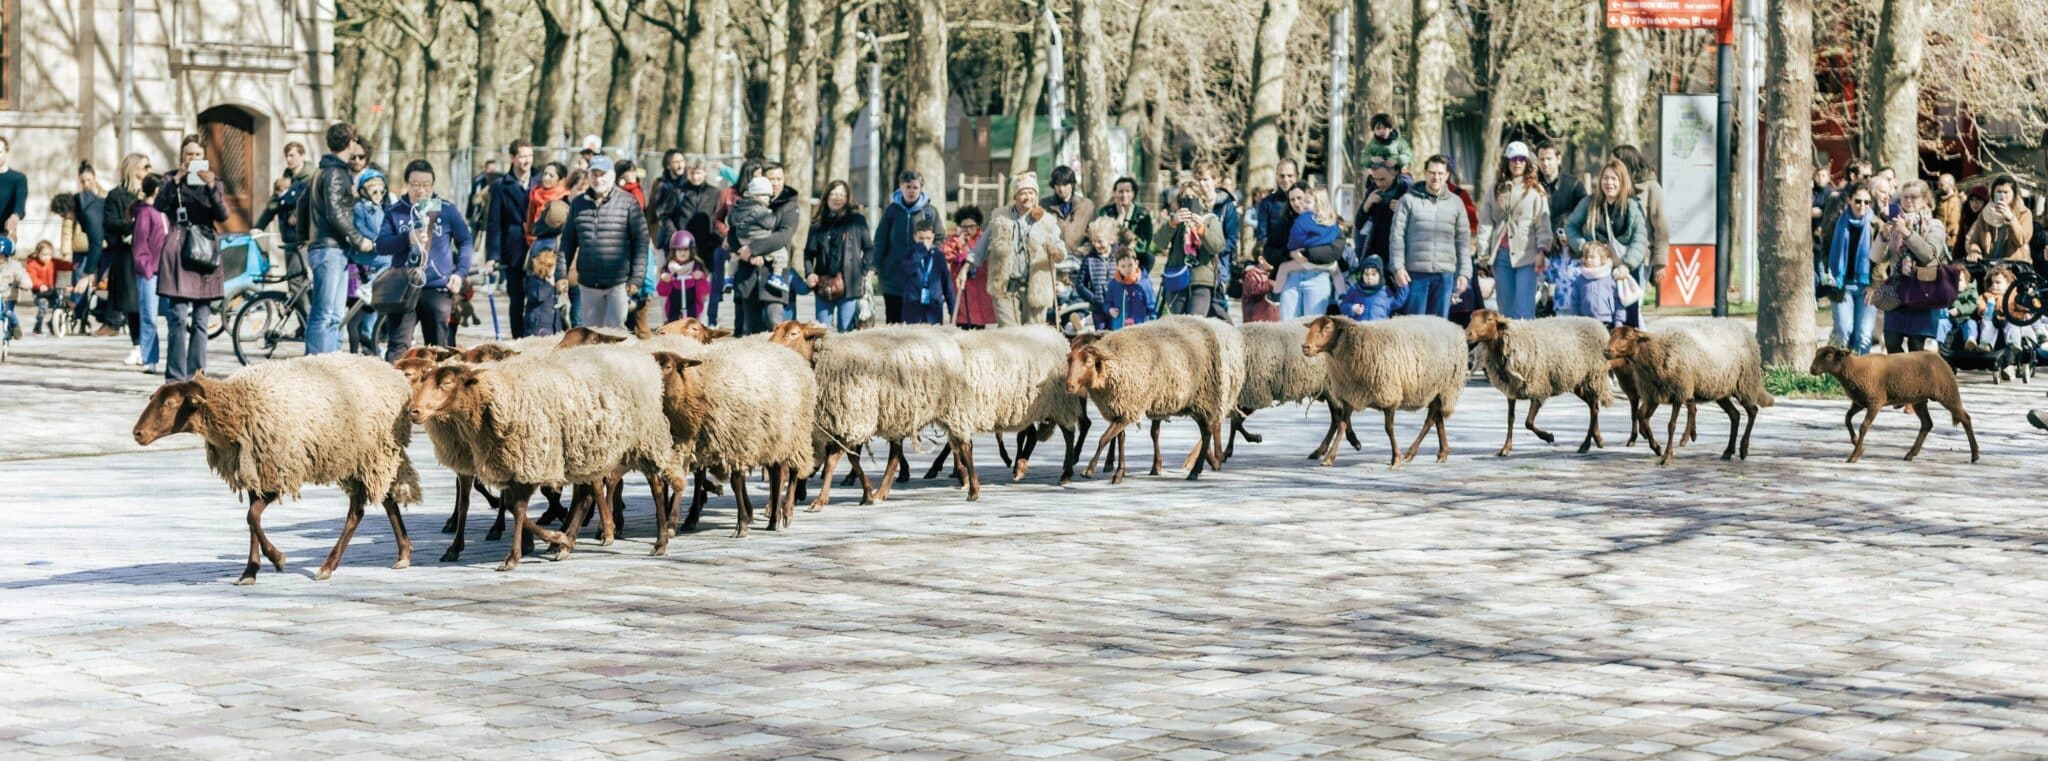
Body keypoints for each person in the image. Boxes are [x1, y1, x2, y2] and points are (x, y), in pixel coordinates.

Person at [374, 160, 473, 359]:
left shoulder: (447, 210)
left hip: (437, 287)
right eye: (415, 185)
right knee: (398, 348)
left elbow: (465, 241)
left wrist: (460, 273)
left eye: (426, 185)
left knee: (440, 349)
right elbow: (382, 245)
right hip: (403, 288)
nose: (421, 190)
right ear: (407, 184)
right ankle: (396, 379)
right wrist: (406, 238)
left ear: (433, 185)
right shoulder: (395, 211)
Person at [155, 135, 228, 381]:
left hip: (205, 252)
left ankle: (196, 376)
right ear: (182, 156)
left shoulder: (214, 182)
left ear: (204, 157)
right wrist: (177, 179)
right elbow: (158, 205)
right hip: (178, 250)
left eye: (197, 154)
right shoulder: (170, 179)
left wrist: (211, 187)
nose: (193, 158)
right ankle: (175, 377)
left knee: (201, 320)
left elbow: (223, 215)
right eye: (189, 154)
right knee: (177, 317)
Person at [301, 123, 376, 355]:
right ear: (350, 143)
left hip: (332, 248)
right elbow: (335, 212)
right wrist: (358, 239)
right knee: (324, 314)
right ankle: (315, 365)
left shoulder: (323, 171)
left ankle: (330, 364)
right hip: (329, 248)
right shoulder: (334, 173)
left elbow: (302, 203)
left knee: (334, 315)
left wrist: (303, 238)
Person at [559, 156, 650, 330]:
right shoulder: (578, 204)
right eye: (594, 174)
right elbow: (567, 243)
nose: (598, 179)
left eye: (603, 174)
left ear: (612, 175)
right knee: (592, 334)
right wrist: (561, 274)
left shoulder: (628, 202)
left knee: (615, 332)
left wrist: (637, 278)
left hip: (618, 282)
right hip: (588, 283)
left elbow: (641, 242)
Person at [970, 172, 1065, 326]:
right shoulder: (1000, 219)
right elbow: (980, 248)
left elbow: (1060, 251)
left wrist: (1055, 251)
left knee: (1034, 333)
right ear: (1015, 196)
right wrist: (965, 269)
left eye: (1032, 193)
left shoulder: (1046, 222)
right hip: (1006, 286)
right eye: (1023, 193)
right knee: (1008, 333)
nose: (1028, 197)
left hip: (1036, 287)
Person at [1565, 159, 1649, 326]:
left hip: (1625, 271)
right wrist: (1583, 246)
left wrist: (1627, 265)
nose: (1609, 183)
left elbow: (1640, 238)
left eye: (1614, 178)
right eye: (1605, 178)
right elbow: (1570, 226)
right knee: (1596, 318)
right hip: (1597, 271)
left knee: (1629, 320)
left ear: (1622, 181)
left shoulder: (1633, 207)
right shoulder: (1589, 203)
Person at [1389, 155, 1473, 319]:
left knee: (1439, 326)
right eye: (1432, 172)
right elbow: (1396, 236)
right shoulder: (1408, 200)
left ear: (1447, 175)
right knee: (1414, 326)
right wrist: (1398, 267)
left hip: (1445, 275)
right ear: (1425, 173)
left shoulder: (1456, 203)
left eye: (1440, 173)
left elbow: (1463, 241)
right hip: (1415, 274)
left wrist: (1464, 273)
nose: (1436, 177)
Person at [1878, 179, 1950, 355]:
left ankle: (1914, 373)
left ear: (1925, 199)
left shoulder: (1934, 224)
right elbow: (1878, 257)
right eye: (1905, 197)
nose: (1909, 200)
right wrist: (1883, 237)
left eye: (1914, 197)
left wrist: (1906, 232)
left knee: (1916, 347)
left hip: (1922, 290)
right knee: (1891, 341)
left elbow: (1929, 254)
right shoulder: (1895, 224)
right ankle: (1900, 373)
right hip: (1897, 290)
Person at [1485, 141, 1552, 320]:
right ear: (1507, 161)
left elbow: (1543, 225)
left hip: (1527, 256)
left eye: (1522, 159)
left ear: (1527, 162)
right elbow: (1486, 222)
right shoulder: (1495, 189)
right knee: (1505, 311)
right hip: (1501, 255)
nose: (1518, 163)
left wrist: (1542, 250)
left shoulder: (1536, 191)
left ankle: (1525, 339)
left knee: (1524, 311)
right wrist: (1483, 253)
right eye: (1513, 159)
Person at [1151, 179, 1228, 320]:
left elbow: (1218, 246)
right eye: (1185, 197)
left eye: (1194, 197)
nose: (1189, 200)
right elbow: (1159, 242)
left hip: (1201, 281)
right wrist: (1172, 223)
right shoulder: (1175, 220)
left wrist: (1202, 229)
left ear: (1202, 199)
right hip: (1177, 278)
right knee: (1178, 324)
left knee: (1194, 323)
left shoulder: (1210, 220)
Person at [649, 153, 720, 304]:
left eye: (699, 173)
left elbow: (719, 218)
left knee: (702, 292)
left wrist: (716, 239)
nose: (695, 177)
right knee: (680, 292)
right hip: (682, 249)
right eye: (692, 173)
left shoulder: (714, 192)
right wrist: (675, 236)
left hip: (705, 247)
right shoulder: (678, 191)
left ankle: (702, 317)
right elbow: (665, 216)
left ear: (705, 173)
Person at [872, 170, 940, 323]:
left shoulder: (929, 212)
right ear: (901, 187)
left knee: (917, 324)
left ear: (921, 188)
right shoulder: (891, 211)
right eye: (908, 187)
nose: (911, 191)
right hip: (893, 279)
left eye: (915, 187)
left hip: (920, 278)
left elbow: (940, 238)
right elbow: (880, 240)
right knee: (894, 324)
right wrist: (873, 266)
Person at [1818, 183, 1878, 353]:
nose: (1862, 205)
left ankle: (1861, 368)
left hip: (1867, 288)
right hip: (1841, 286)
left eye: (1867, 202)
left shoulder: (1876, 225)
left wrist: (1875, 284)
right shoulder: (1837, 223)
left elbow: (1882, 260)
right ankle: (1836, 367)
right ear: (1849, 200)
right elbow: (1825, 250)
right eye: (1858, 201)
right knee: (1843, 332)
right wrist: (1829, 272)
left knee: (1864, 336)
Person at [804, 179, 871, 332]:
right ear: (826, 197)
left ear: (847, 198)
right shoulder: (817, 224)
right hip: (823, 285)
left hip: (850, 285)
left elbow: (869, 248)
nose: (837, 198)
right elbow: (808, 253)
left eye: (841, 195)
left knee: (846, 333)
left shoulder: (857, 221)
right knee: (821, 332)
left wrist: (863, 269)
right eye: (833, 194)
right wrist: (809, 273)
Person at [487, 139, 538, 337]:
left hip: (538, 249)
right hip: (514, 250)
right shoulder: (500, 186)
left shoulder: (540, 181)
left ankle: (535, 337)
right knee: (516, 299)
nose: (527, 161)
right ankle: (518, 339)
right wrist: (493, 256)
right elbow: (494, 223)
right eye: (523, 156)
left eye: (530, 156)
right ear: (512, 158)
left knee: (537, 296)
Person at [104, 154, 151, 354]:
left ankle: (147, 346)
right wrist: (132, 225)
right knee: (133, 303)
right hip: (127, 254)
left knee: (148, 302)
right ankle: (138, 345)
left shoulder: (152, 193)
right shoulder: (116, 195)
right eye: (145, 166)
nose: (148, 170)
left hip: (150, 254)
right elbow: (109, 223)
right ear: (133, 169)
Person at [1277, 187, 1344, 320]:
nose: (1299, 203)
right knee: (1287, 324)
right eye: (1292, 199)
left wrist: (1307, 253)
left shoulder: (1330, 221)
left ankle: (1342, 296)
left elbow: (1335, 250)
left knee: (1312, 325)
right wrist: (1290, 254)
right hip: (1294, 277)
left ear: (1318, 204)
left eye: (1303, 200)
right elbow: (1272, 249)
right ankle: (1342, 295)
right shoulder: (1286, 221)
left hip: (1318, 275)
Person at [1612, 145, 1669, 284]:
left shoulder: (1651, 187)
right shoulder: (1614, 186)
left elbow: (1661, 227)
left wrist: (1660, 262)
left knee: (1634, 295)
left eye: (1615, 162)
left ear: (1626, 163)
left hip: (1641, 255)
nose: (1611, 167)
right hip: (1615, 254)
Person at [348, 169, 390, 355]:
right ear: (364, 191)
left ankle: (370, 346)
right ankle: (368, 287)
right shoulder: (360, 208)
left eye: (382, 191)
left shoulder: (380, 208)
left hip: (374, 257)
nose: (379, 195)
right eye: (374, 191)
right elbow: (361, 229)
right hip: (361, 256)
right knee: (389, 261)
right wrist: (377, 241)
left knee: (371, 308)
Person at [1191, 162, 1241, 317]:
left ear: (1215, 180)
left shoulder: (1226, 205)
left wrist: (1215, 248)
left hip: (1219, 264)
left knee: (1218, 310)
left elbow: (1232, 238)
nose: (1202, 184)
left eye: (1206, 179)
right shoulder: (1194, 204)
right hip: (1197, 265)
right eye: (1199, 180)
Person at [130, 174, 167, 372]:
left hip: (167, 270)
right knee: (149, 317)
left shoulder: (164, 211)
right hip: (150, 271)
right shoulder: (145, 213)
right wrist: (145, 267)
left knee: (174, 317)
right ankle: (149, 358)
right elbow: (140, 243)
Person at [945, 206, 994, 329]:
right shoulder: (954, 239)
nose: (968, 230)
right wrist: (958, 243)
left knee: (979, 322)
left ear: (978, 225)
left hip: (980, 285)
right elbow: (946, 254)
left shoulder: (984, 239)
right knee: (962, 320)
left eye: (971, 226)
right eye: (964, 227)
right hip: (961, 288)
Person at [1965, 175, 2033, 264]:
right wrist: (1975, 251)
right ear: (1993, 194)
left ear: (2014, 194)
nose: (2002, 196)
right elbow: (1974, 240)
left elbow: (2022, 240)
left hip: (2013, 265)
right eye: (1998, 192)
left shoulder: (2023, 213)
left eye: (2005, 192)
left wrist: (2011, 219)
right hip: (1989, 265)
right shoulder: (1986, 213)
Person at [1095, 176, 1156, 272]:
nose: (1124, 195)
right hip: (1109, 253)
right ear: (1114, 193)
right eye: (1120, 191)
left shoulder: (1143, 214)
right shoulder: (1105, 212)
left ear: (1133, 193)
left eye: (1128, 191)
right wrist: (1121, 216)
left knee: (1149, 257)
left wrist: (1128, 249)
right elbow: (1103, 237)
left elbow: (1143, 244)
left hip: (1135, 255)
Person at [1534, 141, 1584, 255]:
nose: (1545, 163)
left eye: (1549, 159)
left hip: (1567, 248)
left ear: (1558, 159)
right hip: (1537, 248)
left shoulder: (1575, 185)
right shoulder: (1532, 185)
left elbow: (1584, 217)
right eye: (1541, 159)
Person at [900, 219, 954, 325]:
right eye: (921, 239)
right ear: (914, 237)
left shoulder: (939, 256)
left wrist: (952, 310)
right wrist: (920, 251)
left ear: (933, 237)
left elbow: (947, 285)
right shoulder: (908, 254)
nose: (925, 242)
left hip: (934, 311)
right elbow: (908, 270)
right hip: (913, 311)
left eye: (928, 238)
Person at [1071, 217, 1122, 330]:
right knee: (1101, 334)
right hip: (1099, 309)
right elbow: (1080, 284)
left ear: (1111, 239)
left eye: (1100, 241)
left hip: (1117, 307)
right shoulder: (1089, 259)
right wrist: (1093, 298)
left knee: (1116, 334)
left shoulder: (1119, 257)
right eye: (1093, 241)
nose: (1096, 244)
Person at [1041, 165, 1099, 257]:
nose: (1061, 189)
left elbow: (1095, 233)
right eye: (1058, 185)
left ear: (1072, 184)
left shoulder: (1087, 206)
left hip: (1080, 258)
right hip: (1053, 258)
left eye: (1065, 185)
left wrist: (1085, 249)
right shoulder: (1044, 205)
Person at [655, 233, 710, 323]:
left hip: (692, 305)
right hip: (674, 307)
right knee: (673, 323)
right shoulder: (668, 267)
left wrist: (701, 278)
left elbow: (705, 291)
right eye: (679, 250)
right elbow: (662, 292)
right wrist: (664, 281)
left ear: (691, 250)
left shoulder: (697, 266)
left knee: (692, 323)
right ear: (674, 251)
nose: (682, 253)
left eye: (685, 249)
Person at [1338, 254, 1406, 322]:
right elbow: (1343, 306)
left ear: (1380, 275)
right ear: (1362, 275)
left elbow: (1397, 302)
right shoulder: (1354, 289)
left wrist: (1403, 286)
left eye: (1373, 274)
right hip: (1360, 326)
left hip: (1379, 327)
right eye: (1366, 274)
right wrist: (1352, 308)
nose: (1369, 277)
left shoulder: (1386, 291)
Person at [1570, 241, 1623, 326]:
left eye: (1592, 257)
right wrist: (1576, 318)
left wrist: (1618, 321)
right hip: (1585, 322)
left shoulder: (1610, 278)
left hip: (1606, 321)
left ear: (1603, 259)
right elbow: (1574, 300)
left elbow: (1618, 302)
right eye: (1586, 257)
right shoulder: (1580, 279)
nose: (1588, 260)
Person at [1103, 250, 1154, 329]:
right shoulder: (1113, 284)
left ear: (1136, 263)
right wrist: (1109, 310)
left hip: (1140, 329)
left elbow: (1152, 307)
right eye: (1123, 266)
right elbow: (1107, 303)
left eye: (1130, 265)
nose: (1127, 269)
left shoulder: (1144, 284)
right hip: (1119, 328)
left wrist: (1153, 324)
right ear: (1117, 267)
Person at [524, 246, 566, 337]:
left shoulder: (552, 282)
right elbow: (538, 297)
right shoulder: (534, 280)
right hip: (537, 328)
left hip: (553, 327)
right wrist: (549, 284)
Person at [25, 241, 56, 335]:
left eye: (49, 254)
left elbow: (62, 264)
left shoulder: (52, 262)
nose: (47, 257)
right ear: (37, 254)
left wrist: (72, 266)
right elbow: (32, 277)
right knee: (43, 306)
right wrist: (40, 285)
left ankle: (53, 322)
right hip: (39, 293)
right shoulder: (32, 264)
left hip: (51, 291)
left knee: (59, 303)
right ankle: (38, 327)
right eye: (44, 254)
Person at [0, 136, 28, 239]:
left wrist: (15, 216)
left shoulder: (18, 179)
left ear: (6, 152)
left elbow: (20, 204)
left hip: (5, 234)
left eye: (0, 152)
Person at [0, 239, 27, 340]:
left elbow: (22, 276)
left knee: (7, 311)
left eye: (1, 257)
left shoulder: (14, 266)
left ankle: (16, 325)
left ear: (7, 257)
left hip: (9, 296)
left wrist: (25, 284)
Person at [1935, 173, 1963, 250]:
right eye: (1938, 184)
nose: (1939, 187)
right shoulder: (1940, 199)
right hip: (1940, 239)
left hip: (1952, 241)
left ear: (1950, 185)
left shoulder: (1956, 200)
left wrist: (1944, 232)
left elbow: (1953, 222)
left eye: (1941, 185)